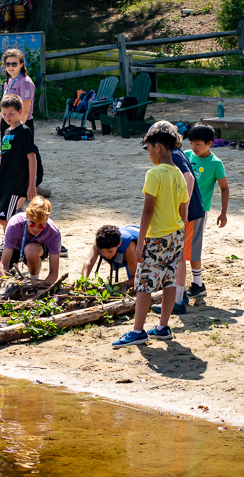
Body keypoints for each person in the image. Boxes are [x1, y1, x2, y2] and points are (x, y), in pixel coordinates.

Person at [112, 121, 189, 347]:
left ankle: (138, 331)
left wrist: (142, 240)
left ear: (157, 147)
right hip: (176, 234)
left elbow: (148, 209)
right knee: (169, 280)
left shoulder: (154, 173)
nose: (149, 155)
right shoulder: (178, 174)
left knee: (144, 283)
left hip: (157, 237)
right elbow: (183, 209)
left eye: (148, 149)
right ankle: (163, 326)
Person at [150, 129, 206, 316]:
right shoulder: (177, 153)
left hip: (191, 213)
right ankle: (180, 295)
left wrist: (185, 206)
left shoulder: (174, 154)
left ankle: (178, 301)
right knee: (182, 255)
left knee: (180, 256)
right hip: (193, 212)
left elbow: (188, 177)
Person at [183, 122, 230, 299]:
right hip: (181, 208)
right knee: (180, 247)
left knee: (194, 247)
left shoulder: (215, 163)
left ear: (210, 143)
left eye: (198, 144)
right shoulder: (186, 156)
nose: (194, 147)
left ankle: (197, 283)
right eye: (192, 143)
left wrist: (223, 212)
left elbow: (224, 188)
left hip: (198, 211)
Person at [0, 196, 61, 282]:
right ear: (27, 215)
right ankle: (12, 272)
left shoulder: (53, 232)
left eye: (41, 225)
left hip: (36, 250)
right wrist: (9, 283)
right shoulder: (15, 224)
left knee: (30, 250)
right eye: (32, 223)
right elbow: (4, 263)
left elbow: (54, 273)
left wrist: (40, 289)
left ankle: (33, 280)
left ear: (47, 219)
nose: (36, 229)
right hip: (15, 247)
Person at [0, 94, 37, 230]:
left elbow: (32, 158)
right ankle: (8, 244)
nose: (7, 117)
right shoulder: (6, 133)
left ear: (20, 112)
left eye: (11, 114)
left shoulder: (24, 132)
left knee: (6, 219)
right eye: (4, 114)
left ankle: (31, 234)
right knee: (1, 217)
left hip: (16, 182)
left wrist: (32, 185)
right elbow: (3, 161)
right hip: (4, 182)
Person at [0, 47, 35, 148]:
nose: (11, 66)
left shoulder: (25, 82)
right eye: (7, 64)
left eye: (14, 64)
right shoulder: (9, 82)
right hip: (7, 125)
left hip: (22, 125)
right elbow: (3, 111)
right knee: (7, 157)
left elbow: (26, 109)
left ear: (21, 64)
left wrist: (17, 130)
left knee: (21, 158)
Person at [81, 224, 139, 289]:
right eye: (102, 252)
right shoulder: (99, 241)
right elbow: (89, 262)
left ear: (119, 244)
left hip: (141, 237)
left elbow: (136, 278)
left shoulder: (129, 248)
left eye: (110, 251)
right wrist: (83, 281)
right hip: (126, 230)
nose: (107, 255)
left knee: (138, 281)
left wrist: (115, 287)